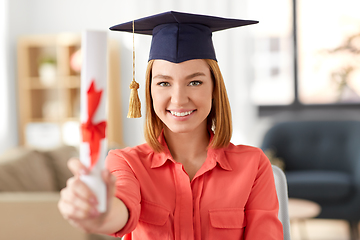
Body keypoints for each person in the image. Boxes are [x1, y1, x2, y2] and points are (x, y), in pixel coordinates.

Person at [58, 11, 284, 240]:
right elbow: (121, 210)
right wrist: (99, 212)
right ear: (149, 91)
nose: (178, 99)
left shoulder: (253, 165)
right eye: (164, 83)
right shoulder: (127, 164)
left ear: (214, 88)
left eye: (194, 82)